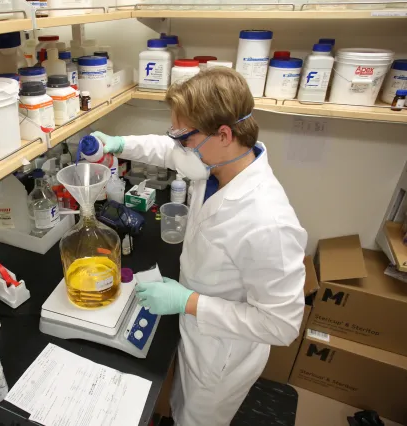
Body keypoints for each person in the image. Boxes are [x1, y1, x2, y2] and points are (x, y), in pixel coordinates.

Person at [91, 67, 307, 426]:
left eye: (184, 137)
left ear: (223, 134)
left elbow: (281, 325)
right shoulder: (217, 162)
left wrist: (186, 302)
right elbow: (167, 150)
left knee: (197, 418)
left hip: (222, 351)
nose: (178, 146)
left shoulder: (269, 222)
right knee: (179, 404)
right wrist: (117, 144)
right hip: (196, 325)